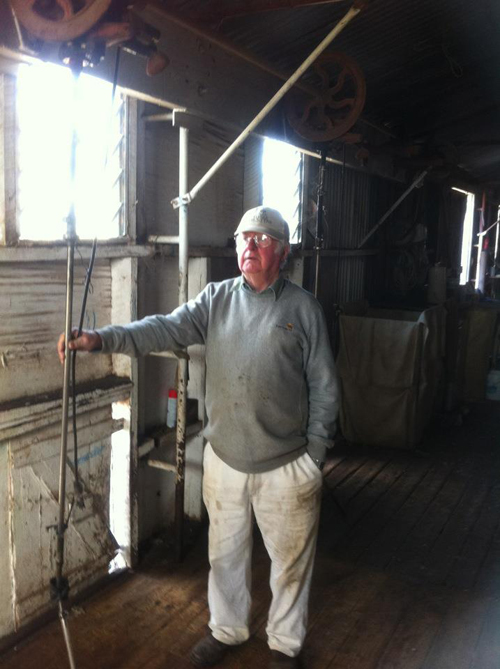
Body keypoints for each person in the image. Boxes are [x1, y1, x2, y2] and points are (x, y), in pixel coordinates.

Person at [58, 206, 340, 669]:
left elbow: (325, 386)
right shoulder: (216, 299)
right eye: (244, 238)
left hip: (287, 464)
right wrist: (101, 339)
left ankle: (285, 646)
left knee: (290, 563)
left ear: (283, 253)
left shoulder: (303, 309)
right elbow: (163, 328)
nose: (250, 246)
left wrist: (314, 455)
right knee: (224, 555)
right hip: (225, 459)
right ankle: (227, 629)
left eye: (262, 240)